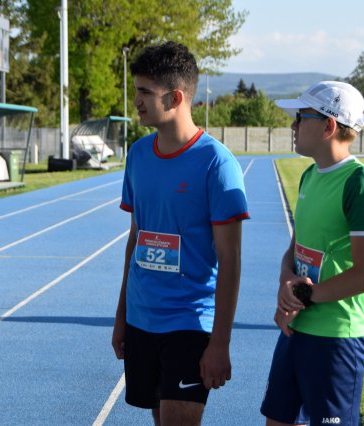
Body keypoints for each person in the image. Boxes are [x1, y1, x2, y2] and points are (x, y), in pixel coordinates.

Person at [111, 41, 249, 426]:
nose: (135, 101)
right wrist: (122, 314)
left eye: (144, 93)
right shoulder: (138, 155)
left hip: (190, 322)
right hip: (142, 320)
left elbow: (231, 262)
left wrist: (220, 341)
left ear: (174, 97)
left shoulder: (216, 164)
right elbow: (135, 238)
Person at [260, 81, 364, 426]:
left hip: (337, 340)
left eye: (301, 117)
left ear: (329, 125)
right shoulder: (309, 176)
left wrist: (303, 295)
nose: (293, 126)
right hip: (297, 329)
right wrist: (286, 286)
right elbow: (296, 250)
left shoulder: (360, 183)